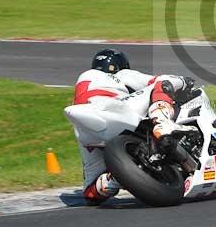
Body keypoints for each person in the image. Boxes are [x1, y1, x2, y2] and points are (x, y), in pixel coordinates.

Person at [63, 48, 195, 205]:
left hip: (85, 128)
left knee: (91, 189)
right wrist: (185, 81)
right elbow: (158, 81)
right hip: (114, 107)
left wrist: (121, 173)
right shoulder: (121, 74)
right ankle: (162, 123)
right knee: (163, 84)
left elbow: (90, 196)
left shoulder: (87, 83)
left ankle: (112, 180)